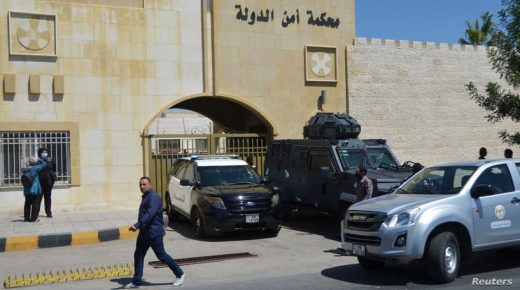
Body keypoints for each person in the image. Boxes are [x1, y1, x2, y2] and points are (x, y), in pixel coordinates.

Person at [125, 177, 185, 289]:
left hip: (154, 233)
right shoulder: (146, 197)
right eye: (140, 185)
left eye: (144, 184)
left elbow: (149, 214)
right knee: (138, 255)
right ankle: (136, 281)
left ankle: (180, 274)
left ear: (150, 185)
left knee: (162, 256)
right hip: (144, 233)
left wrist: (137, 225)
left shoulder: (153, 197)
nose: (142, 187)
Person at [22, 157, 46, 222]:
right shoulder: (35, 168)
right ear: (34, 163)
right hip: (34, 189)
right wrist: (40, 160)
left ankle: (26, 218)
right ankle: (34, 218)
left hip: (26, 189)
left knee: (27, 204)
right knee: (35, 204)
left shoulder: (24, 169)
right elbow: (44, 164)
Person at [37, 148, 57, 218]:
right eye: (43, 152)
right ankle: (36, 212)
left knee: (48, 197)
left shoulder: (50, 160)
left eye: (46, 152)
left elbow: (54, 168)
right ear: (40, 153)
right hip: (40, 182)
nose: (44, 153)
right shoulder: (37, 161)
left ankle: (48, 212)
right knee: (39, 197)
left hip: (49, 181)